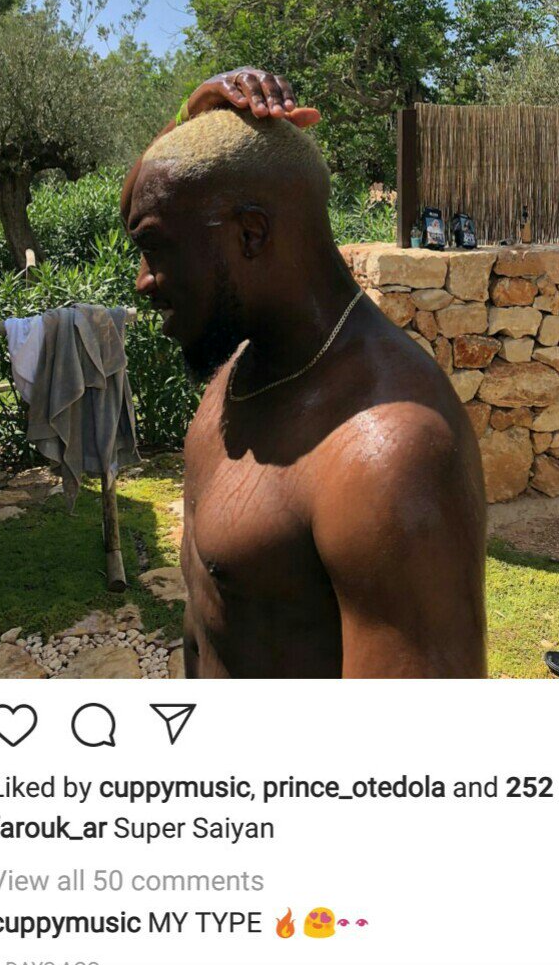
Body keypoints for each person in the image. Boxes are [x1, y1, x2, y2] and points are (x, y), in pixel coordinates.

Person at [122, 69, 486, 678]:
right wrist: (192, 114)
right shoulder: (255, 359)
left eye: (155, 250)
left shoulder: (388, 457)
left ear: (250, 234)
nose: (142, 281)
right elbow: (145, 201)